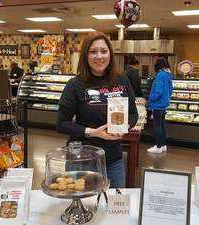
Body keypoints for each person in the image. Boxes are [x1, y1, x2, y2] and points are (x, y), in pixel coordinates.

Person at [57, 32, 138, 188]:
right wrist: (94, 132)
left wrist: (123, 127)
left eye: (104, 51)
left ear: (110, 54)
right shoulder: (75, 85)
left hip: (113, 158)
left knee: (113, 203)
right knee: (83, 204)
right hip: (82, 159)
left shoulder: (122, 80)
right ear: (85, 56)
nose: (99, 56)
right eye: (93, 52)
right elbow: (61, 124)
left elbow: (133, 113)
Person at [147, 57, 173, 154]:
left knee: (157, 126)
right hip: (164, 104)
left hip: (157, 105)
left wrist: (150, 99)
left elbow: (158, 91)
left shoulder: (160, 75)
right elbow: (171, 90)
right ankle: (163, 145)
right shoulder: (168, 75)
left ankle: (158, 147)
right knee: (162, 126)